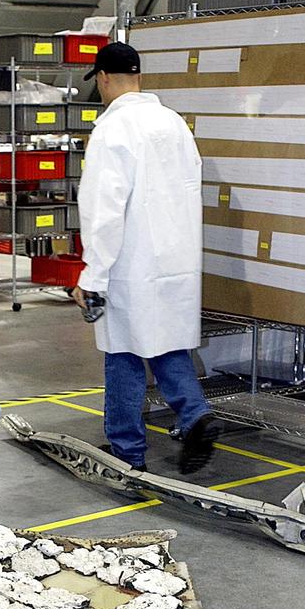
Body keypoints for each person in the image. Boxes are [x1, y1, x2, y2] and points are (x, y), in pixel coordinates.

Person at [71, 41, 220, 475]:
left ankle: (127, 452)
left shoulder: (112, 130)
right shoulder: (173, 123)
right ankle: (195, 414)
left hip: (131, 261)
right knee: (162, 342)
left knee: (122, 352)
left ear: (102, 78)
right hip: (175, 260)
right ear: (137, 76)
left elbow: (104, 210)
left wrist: (92, 274)